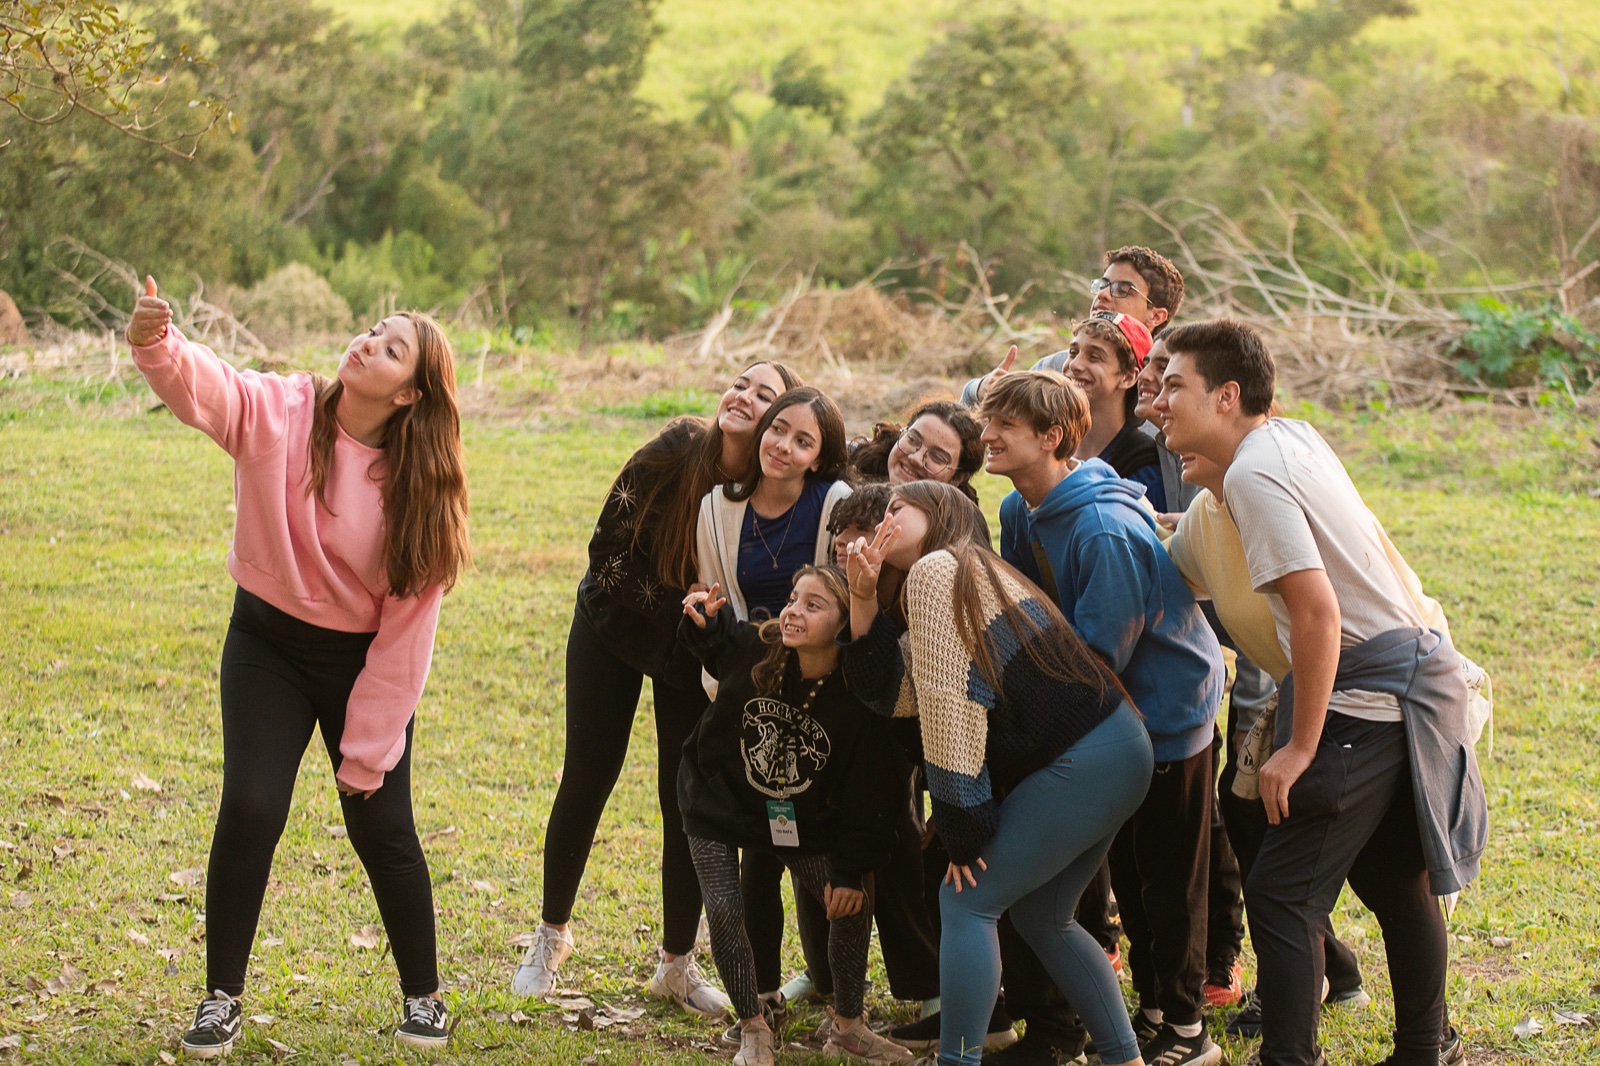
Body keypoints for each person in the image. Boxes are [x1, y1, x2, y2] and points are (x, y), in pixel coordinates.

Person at [125, 278, 470, 1055]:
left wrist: (369, 749)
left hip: (361, 662)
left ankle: (425, 995)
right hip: (267, 645)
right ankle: (221, 997)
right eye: (371, 329)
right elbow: (211, 391)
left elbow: (406, 637)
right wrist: (158, 343)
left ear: (412, 393)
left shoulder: (422, 491)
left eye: (390, 348)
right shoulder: (283, 409)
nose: (366, 343)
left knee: (382, 826)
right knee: (251, 804)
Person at [1153, 319, 1487, 1066]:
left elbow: (1316, 610)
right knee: (1392, 876)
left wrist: (1299, 747)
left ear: (1227, 395)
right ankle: (1424, 1050)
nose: (1161, 401)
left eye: (1175, 384)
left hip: (1370, 692)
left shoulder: (1252, 473)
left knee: (1280, 894)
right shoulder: (1285, 440)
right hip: (1406, 682)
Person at [514, 361, 800, 1016]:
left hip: (690, 652)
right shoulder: (676, 447)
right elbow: (606, 550)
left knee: (686, 799)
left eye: (764, 396)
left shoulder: (766, 495)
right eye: (741, 383)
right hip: (611, 624)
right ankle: (549, 938)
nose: (743, 396)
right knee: (587, 777)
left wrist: (703, 636)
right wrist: (684, 611)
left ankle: (677, 963)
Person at [840, 480, 1154, 1066]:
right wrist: (862, 598)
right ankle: (1125, 1060)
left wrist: (964, 829)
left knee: (966, 900)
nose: (882, 520)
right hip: (1117, 750)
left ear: (939, 515)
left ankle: (956, 1060)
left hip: (1090, 755)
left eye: (896, 509)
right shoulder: (954, 576)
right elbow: (893, 693)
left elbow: (951, 712)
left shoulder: (941, 570)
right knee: (1043, 915)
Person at [978, 371, 1226, 1066]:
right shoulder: (1019, 509)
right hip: (1098, 715)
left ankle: (1184, 1026)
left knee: (1168, 878)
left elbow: (1095, 658)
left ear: (1053, 437)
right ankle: (1141, 1008)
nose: (986, 436)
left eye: (1004, 426)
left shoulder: (1101, 528)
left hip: (1165, 713)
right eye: (987, 421)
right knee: (1122, 869)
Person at [678, 568, 912, 1066]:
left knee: (850, 900)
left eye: (813, 605)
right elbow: (718, 644)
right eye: (792, 599)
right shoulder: (759, 647)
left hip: (795, 818)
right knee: (722, 907)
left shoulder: (856, 696)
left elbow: (867, 793)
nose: (792, 611)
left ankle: (849, 1025)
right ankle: (753, 1026)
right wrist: (703, 622)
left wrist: (848, 871)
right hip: (719, 799)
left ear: (845, 623)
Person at [694, 385, 854, 1037]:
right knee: (755, 854)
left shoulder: (833, 504)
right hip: (746, 706)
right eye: (777, 429)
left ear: (819, 457)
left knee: (813, 850)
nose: (783, 446)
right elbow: (719, 609)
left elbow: (838, 604)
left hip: (814, 704)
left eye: (803, 439)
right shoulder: (717, 507)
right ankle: (759, 998)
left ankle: (839, 991)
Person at [960, 245, 1185, 408]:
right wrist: (984, 389)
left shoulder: (1165, 385)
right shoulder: (1056, 368)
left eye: (1122, 289)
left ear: (1156, 316)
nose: (1103, 295)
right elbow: (974, 411)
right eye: (1102, 285)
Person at [1062, 312, 1165, 509]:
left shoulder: (1145, 472)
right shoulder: (1050, 447)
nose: (1074, 365)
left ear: (1128, 377)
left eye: (1094, 357)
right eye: (1073, 353)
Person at [849, 400, 985, 504]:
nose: (915, 458)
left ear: (957, 478)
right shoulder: (847, 479)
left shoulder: (958, 532)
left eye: (937, 457)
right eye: (912, 439)